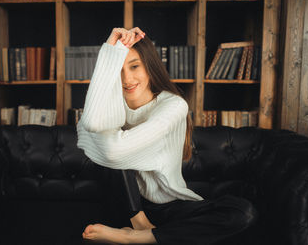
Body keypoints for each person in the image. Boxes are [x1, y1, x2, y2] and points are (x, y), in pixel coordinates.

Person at [76, 27, 257, 244]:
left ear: (150, 66)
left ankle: (138, 237)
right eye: (118, 70)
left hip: (169, 205)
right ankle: (140, 225)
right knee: (107, 142)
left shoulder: (174, 105)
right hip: (124, 204)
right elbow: (92, 124)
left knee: (241, 212)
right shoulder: (108, 107)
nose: (127, 79)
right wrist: (109, 51)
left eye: (134, 66)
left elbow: (110, 147)